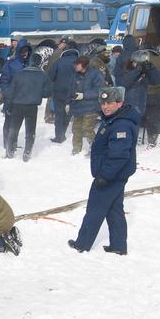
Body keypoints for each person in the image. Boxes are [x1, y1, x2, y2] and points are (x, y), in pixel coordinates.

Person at [69, 85, 140, 255]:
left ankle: (82, 243)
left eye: (110, 103)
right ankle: (118, 246)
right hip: (113, 175)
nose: (105, 107)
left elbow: (119, 156)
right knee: (114, 210)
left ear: (120, 103)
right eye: (103, 103)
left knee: (95, 209)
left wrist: (104, 176)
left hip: (111, 176)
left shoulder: (121, 125)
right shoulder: (113, 120)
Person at [1, 52, 49, 160]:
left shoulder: (19, 74)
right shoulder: (42, 75)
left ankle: (10, 152)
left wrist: (7, 106)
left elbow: (11, 92)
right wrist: (38, 93)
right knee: (30, 131)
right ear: (39, 63)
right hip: (32, 107)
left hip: (17, 105)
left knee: (14, 129)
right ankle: (27, 153)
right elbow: (48, 92)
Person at [69, 54, 107, 155]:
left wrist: (84, 95)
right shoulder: (74, 75)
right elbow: (71, 90)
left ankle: (95, 149)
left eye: (77, 64)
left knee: (87, 129)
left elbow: (100, 90)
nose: (75, 66)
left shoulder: (95, 74)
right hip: (77, 107)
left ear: (84, 65)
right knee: (76, 129)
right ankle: (76, 149)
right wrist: (68, 103)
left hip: (91, 107)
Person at [47, 40, 80, 143]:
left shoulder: (59, 61)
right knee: (68, 113)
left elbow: (50, 76)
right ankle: (63, 133)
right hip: (73, 92)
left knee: (59, 114)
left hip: (58, 91)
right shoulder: (80, 62)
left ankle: (59, 136)